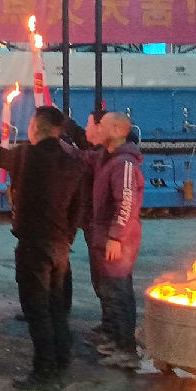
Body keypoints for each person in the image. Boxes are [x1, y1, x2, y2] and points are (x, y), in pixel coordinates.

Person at [0, 105, 82, 391]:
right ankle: (62, 360)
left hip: (34, 244)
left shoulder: (25, 155)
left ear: (35, 127)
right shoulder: (72, 163)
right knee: (57, 306)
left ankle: (44, 372)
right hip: (60, 245)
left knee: (37, 309)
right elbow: (78, 207)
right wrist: (68, 236)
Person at [64, 111, 145, 369]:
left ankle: (126, 349)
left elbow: (126, 203)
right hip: (104, 236)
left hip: (118, 240)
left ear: (119, 130)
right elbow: (80, 156)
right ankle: (113, 336)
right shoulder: (104, 157)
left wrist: (115, 237)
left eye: (103, 125)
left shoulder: (124, 164)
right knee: (109, 290)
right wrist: (53, 140)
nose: (98, 129)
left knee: (118, 291)